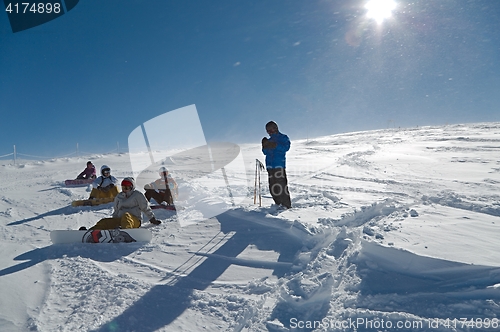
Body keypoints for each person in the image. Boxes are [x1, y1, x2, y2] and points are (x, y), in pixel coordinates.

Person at [81, 177, 160, 230]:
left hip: (134, 221)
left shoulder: (137, 195)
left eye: (126, 188)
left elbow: (145, 207)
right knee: (105, 221)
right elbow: (116, 210)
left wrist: (152, 219)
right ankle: (90, 232)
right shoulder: (119, 196)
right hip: (120, 220)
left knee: (126, 216)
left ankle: (125, 231)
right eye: (123, 188)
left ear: (132, 187)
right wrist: (113, 221)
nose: (124, 190)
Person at [262, 120, 292, 209]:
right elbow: (265, 152)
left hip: (279, 166)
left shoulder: (283, 137)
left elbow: (286, 147)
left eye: (271, 130)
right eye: (268, 131)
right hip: (270, 166)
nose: (269, 132)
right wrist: (264, 145)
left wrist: (275, 145)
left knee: (281, 186)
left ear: (276, 128)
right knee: (273, 187)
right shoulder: (269, 140)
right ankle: (278, 204)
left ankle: (286, 205)